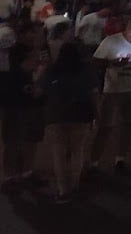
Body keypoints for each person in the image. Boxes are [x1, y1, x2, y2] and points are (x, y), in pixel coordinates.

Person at [90, 13, 131, 175]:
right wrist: (113, 63)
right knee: (106, 126)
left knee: (128, 125)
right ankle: (94, 161)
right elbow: (96, 61)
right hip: (114, 90)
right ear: (126, 29)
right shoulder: (111, 41)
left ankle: (120, 158)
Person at [44, 42, 98, 202]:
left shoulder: (53, 70)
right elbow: (94, 93)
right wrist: (96, 114)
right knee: (77, 150)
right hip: (81, 112)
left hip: (57, 114)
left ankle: (63, 189)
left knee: (59, 152)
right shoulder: (86, 70)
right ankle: (74, 185)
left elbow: (41, 90)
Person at [2, 22, 49, 189]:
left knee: (32, 139)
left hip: (36, 101)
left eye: (41, 33)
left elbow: (46, 70)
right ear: (24, 34)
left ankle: (28, 171)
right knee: (13, 139)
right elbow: (25, 68)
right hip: (15, 101)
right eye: (35, 33)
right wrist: (37, 51)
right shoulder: (16, 50)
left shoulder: (44, 49)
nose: (39, 37)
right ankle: (10, 176)